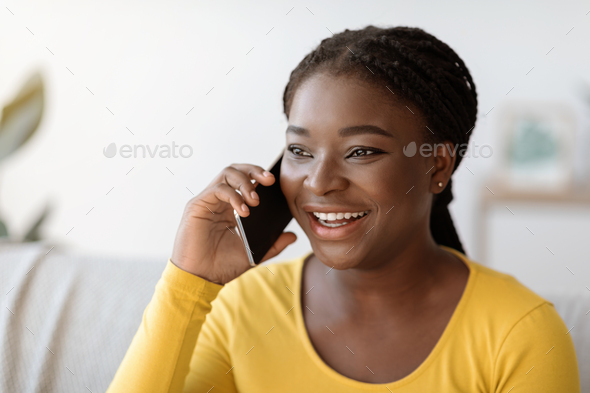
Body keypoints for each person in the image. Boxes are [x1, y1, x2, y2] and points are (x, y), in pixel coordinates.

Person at [106, 25, 580, 392]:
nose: (319, 182)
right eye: (300, 151)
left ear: (437, 165)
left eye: (360, 152)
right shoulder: (243, 309)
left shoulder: (519, 334)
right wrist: (189, 281)